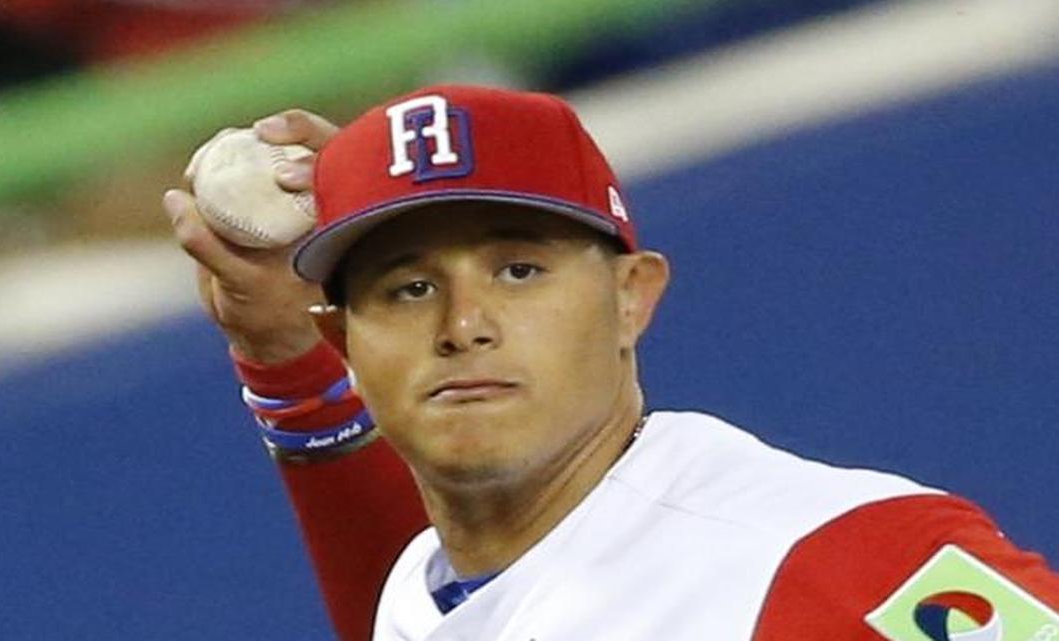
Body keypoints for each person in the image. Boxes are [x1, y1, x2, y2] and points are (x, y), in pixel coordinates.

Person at [163, 85, 1059, 641]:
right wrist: (285, 370)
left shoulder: (833, 553)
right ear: (341, 338)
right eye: (406, 287)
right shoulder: (427, 590)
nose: (465, 322)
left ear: (633, 295)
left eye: (519, 270)